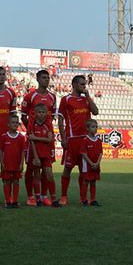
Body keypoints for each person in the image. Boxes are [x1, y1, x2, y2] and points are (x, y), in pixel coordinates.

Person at [57, 75, 99, 206]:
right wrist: (63, 138)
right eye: (81, 84)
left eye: (85, 84)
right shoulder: (66, 100)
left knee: (84, 171)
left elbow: (96, 112)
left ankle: (83, 198)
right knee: (67, 169)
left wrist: (88, 96)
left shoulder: (86, 99)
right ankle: (64, 196)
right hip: (72, 139)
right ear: (74, 84)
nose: (84, 86)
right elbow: (60, 119)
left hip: (85, 140)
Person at [20, 69, 57, 206]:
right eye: (43, 77)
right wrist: (32, 128)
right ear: (37, 79)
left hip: (47, 139)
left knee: (46, 169)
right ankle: (30, 196)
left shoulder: (52, 97)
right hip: (33, 138)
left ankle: (43, 195)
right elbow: (23, 116)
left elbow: (52, 116)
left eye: (48, 77)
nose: (46, 80)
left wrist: (44, 130)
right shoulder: (30, 96)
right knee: (31, 169)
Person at [27, 104, 57, 206]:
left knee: (50, 176)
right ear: (35, 114)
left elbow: (49, 139)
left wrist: (35, 138)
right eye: (39, 112)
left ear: (46, 113)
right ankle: (38, 199)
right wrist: (35, 156)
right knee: (36, 176)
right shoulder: (32, 124)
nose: (41, 114)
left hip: (46, 154)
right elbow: (31, 141)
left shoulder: (48, 124)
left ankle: (54, 199)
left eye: (43, 112)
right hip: (36, 154)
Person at [0, 114, 26, 208]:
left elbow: (23, 151)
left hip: (16, 164)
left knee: (16, 182)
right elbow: (1, 151)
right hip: (7, 164)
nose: (15, 124)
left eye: (16, 122)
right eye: (12, 122)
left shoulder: (21, 138)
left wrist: (21, 163)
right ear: (8, 124)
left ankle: (15, 201)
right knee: (7, 182)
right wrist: (2, 163)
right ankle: (7, 201)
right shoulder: (4, 137)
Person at [79, 119, 102, 206]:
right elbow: (83, 153)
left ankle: (93, 199)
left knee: (93, 181)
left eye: (96, 127)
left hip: (96, 165)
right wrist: (91, 163)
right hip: (87, 165)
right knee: (86, 181)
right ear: (87, 128)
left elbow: (100, 153)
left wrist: (97, 163)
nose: (95, 128)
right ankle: (83, 199)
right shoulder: (85, 140)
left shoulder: (98, 140)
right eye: (93, 127)